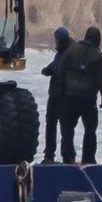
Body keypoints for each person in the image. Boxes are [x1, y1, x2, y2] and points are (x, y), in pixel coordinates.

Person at [54, 25, 102, 164]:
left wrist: (60, 94)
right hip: (88, 99)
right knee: (90, 130)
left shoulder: (71, 51)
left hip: (69, 97)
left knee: (67, 129)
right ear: (98, 39)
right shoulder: (99, 56)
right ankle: (88, 159)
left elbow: (60, 72)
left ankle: (67, 158)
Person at [39, 26, 72, 164]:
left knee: (60, 126)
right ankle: (55, 154)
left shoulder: (68, 53)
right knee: (56, 125)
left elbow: (57, 69)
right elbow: (54, 66)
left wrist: (47, 70)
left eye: (56, 39)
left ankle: (62, 155)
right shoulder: (63, 51)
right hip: (58, 94)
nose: (55, 42)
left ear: (60, 40)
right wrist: (47, 70)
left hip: (62, 95)